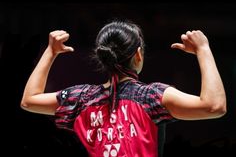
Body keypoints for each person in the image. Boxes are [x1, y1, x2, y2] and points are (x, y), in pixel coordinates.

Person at [20, 20, 226, 157]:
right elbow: (214, 106)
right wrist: (203, 50)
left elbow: (29, 100)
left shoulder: (81, 99)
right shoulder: (151, 97)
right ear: (138, 55)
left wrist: (51, 51)